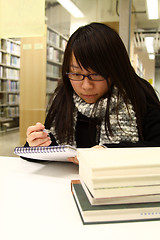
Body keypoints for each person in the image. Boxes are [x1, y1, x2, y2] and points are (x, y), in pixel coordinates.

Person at [26, 22, 160, 164]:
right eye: (76, 74)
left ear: (115, 70)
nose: (86, 86)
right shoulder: (63, 95)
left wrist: (108, 152)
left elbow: (157, 145)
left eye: (96, 74)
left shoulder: (138, 94)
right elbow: (52, 148)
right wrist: (35, 144)